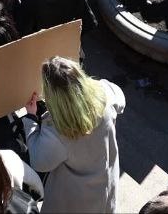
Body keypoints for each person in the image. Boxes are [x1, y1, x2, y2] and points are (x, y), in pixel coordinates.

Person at [22, 56, 125, 214]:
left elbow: (39, 160)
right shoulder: (103, 93)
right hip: (106, 179)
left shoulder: (59, 131)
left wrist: (31, 119)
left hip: (78, 197)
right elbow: (121, 99)